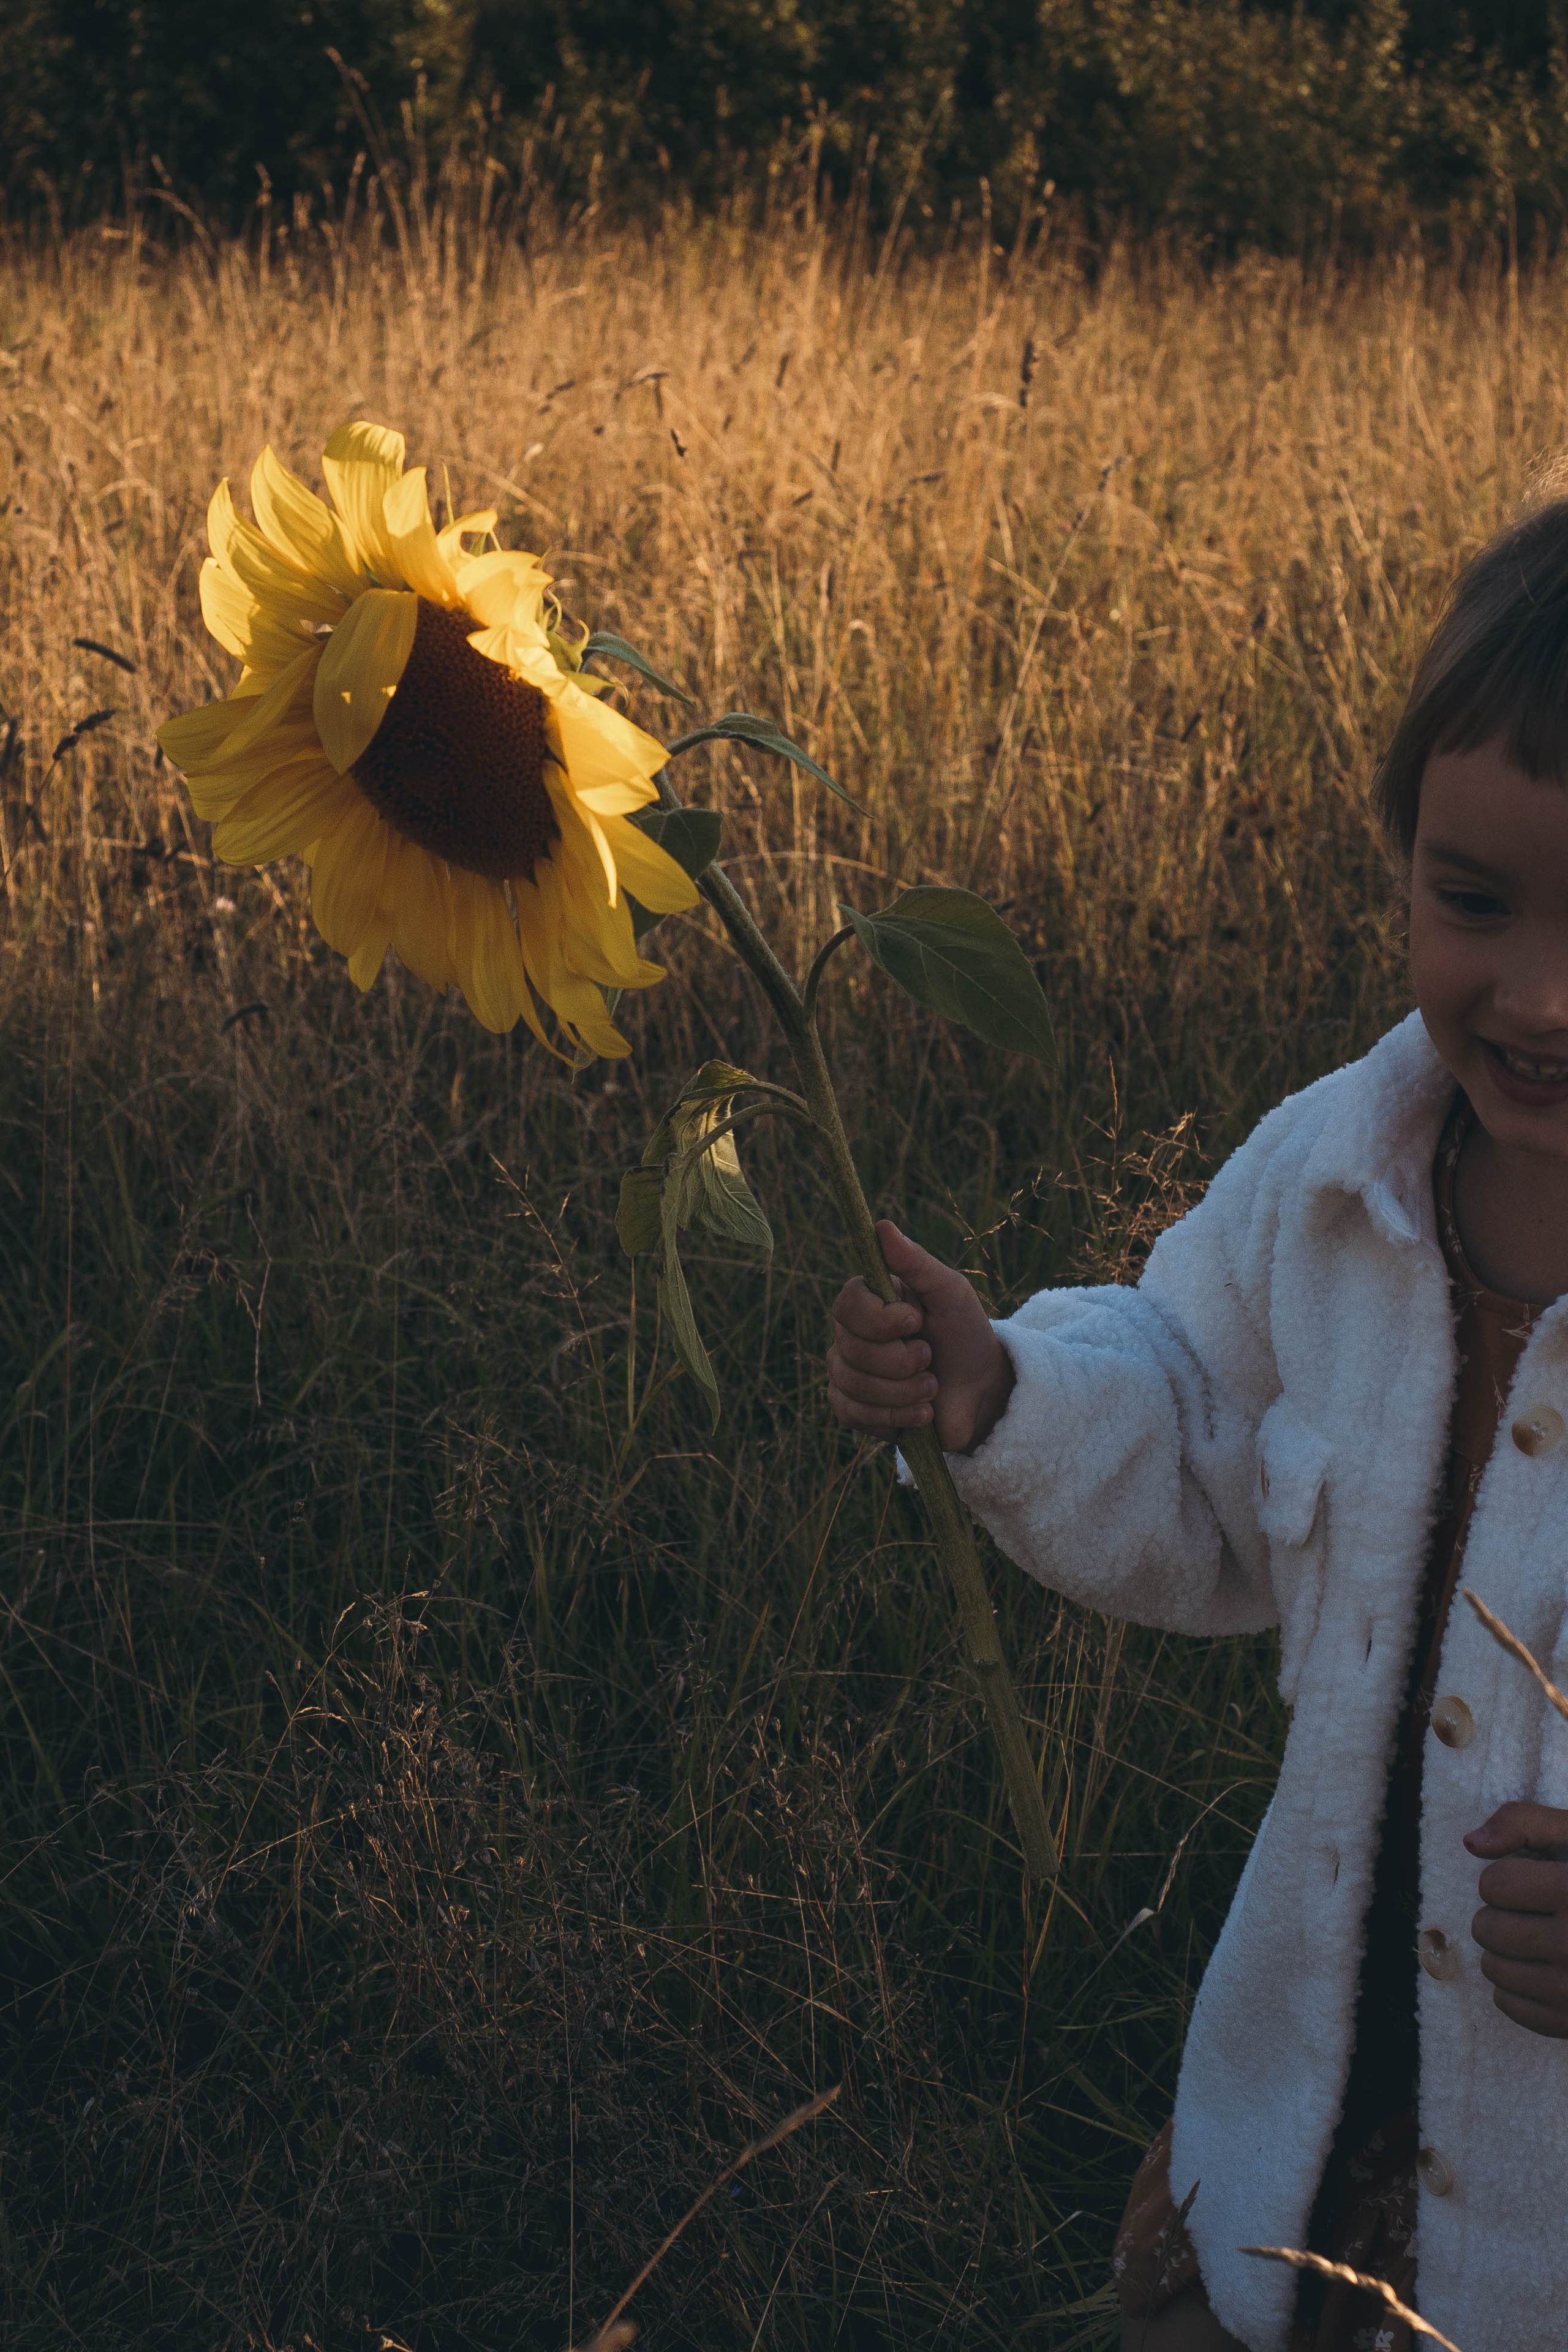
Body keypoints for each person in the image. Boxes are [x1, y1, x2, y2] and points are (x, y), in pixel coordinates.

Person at [827, 497, 1568, 2352]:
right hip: (1304, 2149)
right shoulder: (1331, 1188)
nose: (1539, 995)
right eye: (1472, 900)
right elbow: (1191, 1425)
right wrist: (1001, 1388)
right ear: (1400, 862)